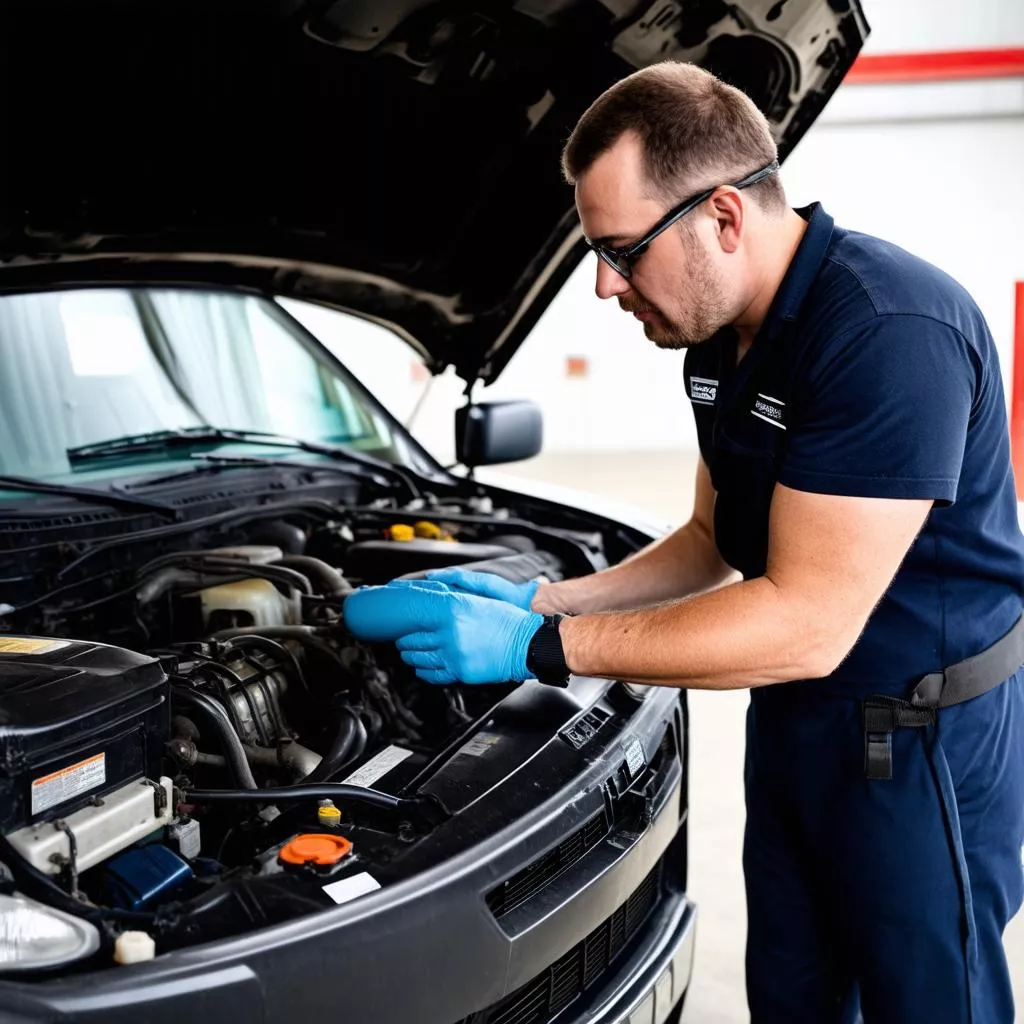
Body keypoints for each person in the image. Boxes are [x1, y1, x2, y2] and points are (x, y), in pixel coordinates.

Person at [344, 62, 1024, 1024]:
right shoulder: (718, 330)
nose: (601, 285)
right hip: (796, 721)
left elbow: (805, 621)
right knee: (792, 994)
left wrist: (540, 650)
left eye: (620, 250)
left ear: (723, 217)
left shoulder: (886, 331)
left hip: (915, 743)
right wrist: (546, 600)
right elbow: (712, 538)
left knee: (928, 1003)